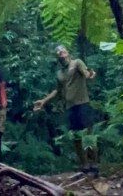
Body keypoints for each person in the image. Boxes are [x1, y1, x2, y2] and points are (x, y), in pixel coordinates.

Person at [33, 45, 99, 175]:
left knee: (88, 135)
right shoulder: (59, 73)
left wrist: (90, 74)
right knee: (76, 136)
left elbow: (86, 73)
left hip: (83, 103)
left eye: (63, 52)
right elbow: (58, 90)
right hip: (69, 106)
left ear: (68, 53)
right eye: (58, 54)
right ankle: (84, 164)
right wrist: (44, 101)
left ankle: (94, 163)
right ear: (57, 58)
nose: (61, 55)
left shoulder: (77, 63)